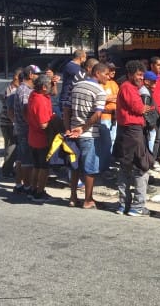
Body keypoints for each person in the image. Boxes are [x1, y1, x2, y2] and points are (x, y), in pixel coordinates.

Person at [65, 62, 109, 209]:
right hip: (88, 134)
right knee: (90, 168)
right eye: (106, 74)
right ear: (97, 73)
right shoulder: (100, 91)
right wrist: (83, 128)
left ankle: (72, 197)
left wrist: (68, 128)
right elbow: (97, 114)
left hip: (73, 132)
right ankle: (88, 200)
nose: (108, 77)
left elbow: (67, 108)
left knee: (75, 166)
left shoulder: (76, 85)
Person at [114, 60, 153, 217]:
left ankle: (124, 204)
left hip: (126, 131)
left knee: (125, 168)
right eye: (138, 74)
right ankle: (137, 205)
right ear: (130, 74)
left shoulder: (127, 87)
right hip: (133, 132)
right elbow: (138, 108)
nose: (141, 78)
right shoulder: (128, 88)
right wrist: (145, 109)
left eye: (142, 75)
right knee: (141, 168)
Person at [12, 65, 42, 196]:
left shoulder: (24, 89)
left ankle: (19, 185)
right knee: (27, 161)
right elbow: (26, 110)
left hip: (22, 129)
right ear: (30, 74)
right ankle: (27, 187)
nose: (39, 77)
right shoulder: (25, 91)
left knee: (21, 158)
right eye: (37, 74)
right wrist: (32, 125)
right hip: (26, 129)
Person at [27, 74, 56, 202]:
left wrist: (54, 83)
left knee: (37, 166)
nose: (51, 87)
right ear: (44, 87)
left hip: (33, 137)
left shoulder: (34, 95)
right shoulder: (40, 100)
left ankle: (33, 189)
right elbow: (44, 124)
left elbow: (52, 93)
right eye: (49, 85)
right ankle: (39, 192)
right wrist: (55, 121)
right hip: (42, 139)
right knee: (43, 167)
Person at [0, 67, 23, 178]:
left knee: (13, 147)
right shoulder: (11, 90)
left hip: (10, 123)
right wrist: (15, 122)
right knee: (11, 147)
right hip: (8, 124)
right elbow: (10, 110)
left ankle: (10, 169)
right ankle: (7, 170)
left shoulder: (16, 89)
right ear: (16, 77)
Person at [99, 62, 119, 172]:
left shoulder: (115, 83)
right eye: (111, 69)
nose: (113, 71)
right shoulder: (101, 83)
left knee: (112, 140)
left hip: (114, 116)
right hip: (104, 116)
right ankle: (103, 167)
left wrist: (111, 98)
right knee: (105, 141)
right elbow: (102, 98)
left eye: (114, 69)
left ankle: (107, 164)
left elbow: (119, 97)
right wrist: (112, 97)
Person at [60, 50, 86, 129]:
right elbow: (83, 77)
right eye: (85, 57)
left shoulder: (71, 66)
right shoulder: (73, 67)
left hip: (69, 99)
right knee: (68, 126)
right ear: (81, 58)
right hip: (67, 99)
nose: (86, 59)